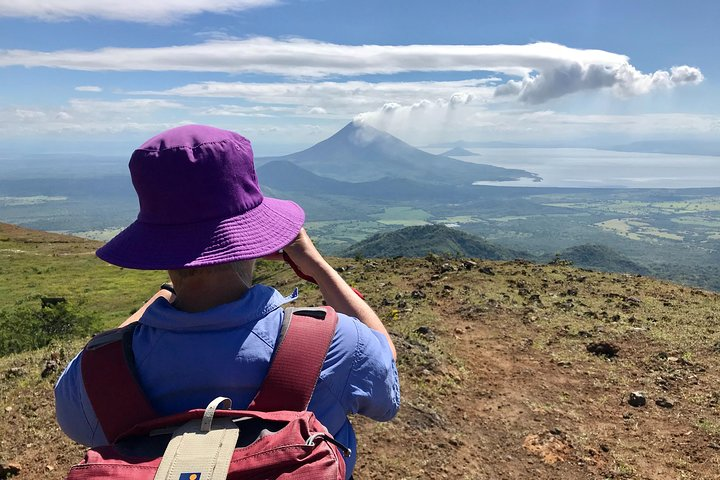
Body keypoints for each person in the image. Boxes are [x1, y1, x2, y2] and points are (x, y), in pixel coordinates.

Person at [54, 124, 400, 479]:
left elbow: (81, 412)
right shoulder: (332, 345)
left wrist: (163, 297)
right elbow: (387, 384)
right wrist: (317, 266)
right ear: (254, 235)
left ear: (154, 242)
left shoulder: (93, 374)